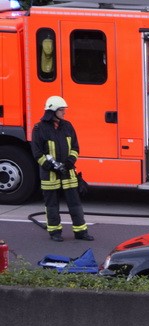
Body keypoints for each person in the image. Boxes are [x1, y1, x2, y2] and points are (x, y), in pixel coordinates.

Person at [31, 96, 93, 242]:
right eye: (61, 110)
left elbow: (75, 147)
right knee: (51, 204)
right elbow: (37, 153)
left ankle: (81, 232)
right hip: (49, 174)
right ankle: (55, 232)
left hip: (67, 171)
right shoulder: (39, 129)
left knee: (75, 203)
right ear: (52, 111)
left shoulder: (68, 126)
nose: (64, 113)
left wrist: (70, 161)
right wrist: (50, 166)